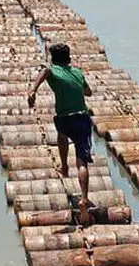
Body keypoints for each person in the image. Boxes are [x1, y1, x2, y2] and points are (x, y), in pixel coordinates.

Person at [28, 43, 94, 222]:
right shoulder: (77, 73)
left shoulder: (52, 71)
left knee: (62, 135)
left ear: (52, 58)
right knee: (82, 161)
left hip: (63, 118)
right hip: (81, 118)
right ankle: (84, 198)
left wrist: (33, 90)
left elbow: (45, 72)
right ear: (69, 57)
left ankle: (64, 166)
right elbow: (88, 92)